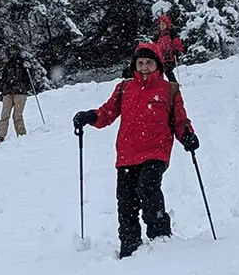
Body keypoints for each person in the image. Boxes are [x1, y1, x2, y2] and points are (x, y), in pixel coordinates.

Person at [72, 43, 199, 259]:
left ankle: (160, 237)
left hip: (156, 152)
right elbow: (107, 113)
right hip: (127, 155)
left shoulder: (169, 90)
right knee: (125, 201)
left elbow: (180, 120)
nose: (144, 67)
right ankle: (129, 246)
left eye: (149, 63)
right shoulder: (124, 88)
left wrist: (186, 134)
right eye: (140, 63)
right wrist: (90, 116)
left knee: (148, 188)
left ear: (157, 65)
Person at [0, 47, 37, 145]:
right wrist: (1, 86)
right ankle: (0, 136)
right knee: (5, 115)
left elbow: (30, 77)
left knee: (17, 115)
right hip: (9, 92)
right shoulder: (8, 65)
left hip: (19, 92)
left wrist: (29, 70)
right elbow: (3, 78)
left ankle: (21, 134)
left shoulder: (23, 64)